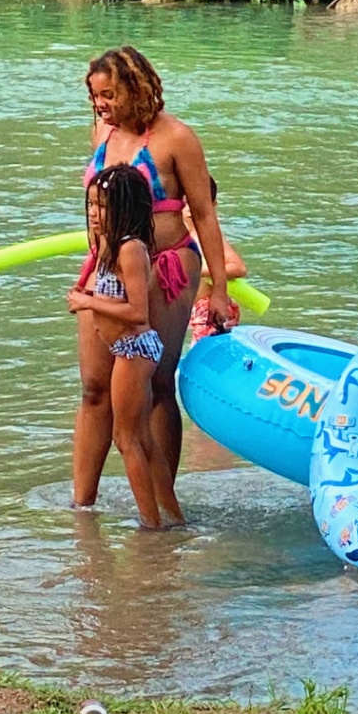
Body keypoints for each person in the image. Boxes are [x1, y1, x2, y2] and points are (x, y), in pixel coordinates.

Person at [75, 46, 231, 508]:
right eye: (94, 96)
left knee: (157, 384)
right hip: (104, 270)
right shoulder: (101, 132)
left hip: (165, 269)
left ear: (136, 88)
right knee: (93, 388)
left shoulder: (177, 138)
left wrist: (218, 289)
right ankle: (82, 508)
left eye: (109, 95)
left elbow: (203, 214)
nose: (100, 105)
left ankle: (163, 505)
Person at [68, 165, 183, 529]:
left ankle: (151, 524)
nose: (93, 214)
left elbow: (137, 313)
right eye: (90, 206)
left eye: (101, 207)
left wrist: (89, 304)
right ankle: (172, 516)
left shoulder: (132, 249)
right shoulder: (107, 245)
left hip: (135, 348)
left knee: (126, 438)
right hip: (124, 350)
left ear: (124, 208)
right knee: (143, 440)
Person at [186, 178, 248, 342]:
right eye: (186, 202)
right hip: (198, 309)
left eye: (198, 202)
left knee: (204, 350)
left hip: (211, 307)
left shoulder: (209, 235)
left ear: (212, 206)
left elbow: (238, 267)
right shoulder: (182, 235)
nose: (191, 208)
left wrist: (198, 270)